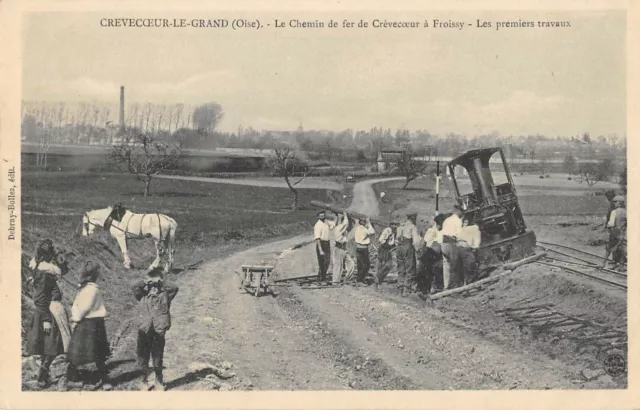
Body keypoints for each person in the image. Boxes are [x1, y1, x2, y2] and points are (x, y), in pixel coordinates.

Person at [25, 239, 68, 388]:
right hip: (48, 311)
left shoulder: (35, 265)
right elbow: (42, 296)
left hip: (43, 310)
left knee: (45, 344)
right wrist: (46, 320)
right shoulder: (47, 271)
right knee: (54, 344)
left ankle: (43, 373)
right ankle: (43, 373)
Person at [64, 261, 111, 390]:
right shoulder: (92, 289)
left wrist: (76, 318)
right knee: (92, 352)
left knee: (94, 353)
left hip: (88, 322)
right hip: (91, 323)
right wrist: (77, 318)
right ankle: (71, 378)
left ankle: (103, 378)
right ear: (95, 274)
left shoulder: (84, 288)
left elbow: (76, 305)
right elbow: (84, 306)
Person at [132, 267, 180, 391]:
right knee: (142, 357)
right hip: (144, 331)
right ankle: (143, 380)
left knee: (157, 358)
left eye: (156, 284)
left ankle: (159, 380)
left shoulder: (165, 296)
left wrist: (161, 281)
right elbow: (134, 286)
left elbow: (174, 287)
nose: (153, 287)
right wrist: (145, 280)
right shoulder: (142, 295)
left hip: (158, 332)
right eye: (151, 284)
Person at [417, 214, 446, 295]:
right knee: (426, 272)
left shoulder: (439, 232)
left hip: (434, 253)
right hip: (430, 252)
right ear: (439, 224)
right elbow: (427, 243)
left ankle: (427, 290)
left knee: (431, 272)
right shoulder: (432, 231)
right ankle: (423, 291)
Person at [396, 211, 422, 296]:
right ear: (413, 218)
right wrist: (418, 250)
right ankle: (406, 289)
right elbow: (416, 241)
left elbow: (397, 238)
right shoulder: (412, 226)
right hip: (407, 246)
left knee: (401, 267)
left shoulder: (401, 226)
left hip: (399, 247)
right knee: (410, 267)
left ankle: (400, 288)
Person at [441, 205, 464, 289]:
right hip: (451, 243)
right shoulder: (457, 220)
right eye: (462, 211)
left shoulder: (446, 220)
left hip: (444, 244)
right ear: (458, 211)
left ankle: (446, 286)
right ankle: (456, 286)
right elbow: (459, 234)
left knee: (446, 266)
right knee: (455, 265)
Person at [602, 195, 627, 269]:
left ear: (618, 203)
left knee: (609, 248)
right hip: (623, 233)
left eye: (615, 203)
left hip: (615, 232)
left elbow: (611, 224)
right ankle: (621, 266)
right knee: (622, 249)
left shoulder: (614, 212)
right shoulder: (626, 212)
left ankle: (602, 263)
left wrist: (608, 227)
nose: (614, 204)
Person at [374, 220, 399, 290]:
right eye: (394, 225)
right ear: (391, 225)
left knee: (389, 265)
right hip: (383, 249)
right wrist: (386, 244)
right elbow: (381, 239)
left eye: (396, 225)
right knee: (383, 265)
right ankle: (378, 281)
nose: (396, 226)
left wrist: (395, 244)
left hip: (388, 250)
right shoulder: (387, 230)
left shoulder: (394, 231)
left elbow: (393, 241)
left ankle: (378, 279)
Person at [457, 216, 482, 285]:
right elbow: (476, 244)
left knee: (464, 268)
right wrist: (475, 248)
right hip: (465, 248)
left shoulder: (461, 229)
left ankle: (465, 284)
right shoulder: (474, 228)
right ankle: (472, 283)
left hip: (458, 247)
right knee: (470, 265)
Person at [354, 216, 375, 285]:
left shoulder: (357, 228)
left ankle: (359, 279)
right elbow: (372, 232)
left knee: (360, 264)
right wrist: (369, 223)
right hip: (363, 248)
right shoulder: (364, 229)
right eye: (364, 221)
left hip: (358, 247)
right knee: (366, 265)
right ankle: (361, 279)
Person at [331, 210, 350, 285]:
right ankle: (335, 281)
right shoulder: (338, 228)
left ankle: (346, 279)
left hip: (343, 248)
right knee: (337, 265)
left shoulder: (344, 231)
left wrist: (338, 216)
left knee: (350, 263)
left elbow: (345, 225)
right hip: (338, 248)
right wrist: (345, 215)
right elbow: (346, 223)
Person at [313, 211, 331, 285]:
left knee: (327, 261)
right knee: (322, 262)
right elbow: (317, 238)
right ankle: (322, 279)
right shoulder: (318, 225)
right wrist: (320, 249)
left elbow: (334, 224)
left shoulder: (326, 223)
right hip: (321, 244)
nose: (322, 217)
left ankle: (320, 277)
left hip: (327, 243)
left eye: (323, 216)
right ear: (318, 217)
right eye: (321, 216)